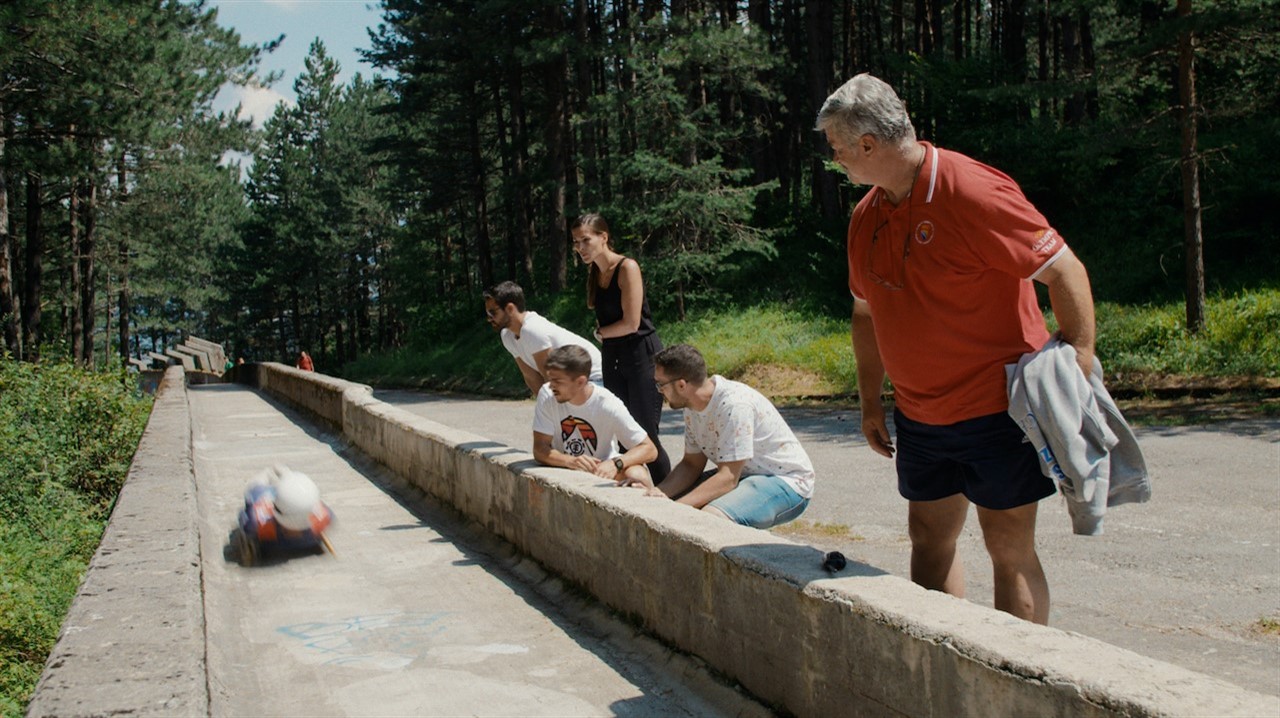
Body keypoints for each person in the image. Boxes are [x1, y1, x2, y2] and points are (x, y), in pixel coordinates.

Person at [816, 73, 1098, 625]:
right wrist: (871, 401)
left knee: (1008, 550)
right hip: (921, 417)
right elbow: (865, 314)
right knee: (927, 535)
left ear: (868, 145)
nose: (837, 160)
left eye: (838, 148)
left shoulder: (970, 189)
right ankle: (944, 660)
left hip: (999, 413)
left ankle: (1017, 684)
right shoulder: (866, 216)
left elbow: (1064, 268)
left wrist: (1079, 362)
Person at [651, 343, 814, 529]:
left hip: (786, 480)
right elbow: (691, 465)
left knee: (708, 519)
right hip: (745, 475)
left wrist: (677, 509)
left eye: (660, 384)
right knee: (672, 506)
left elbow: (728, 479)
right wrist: (658, 494)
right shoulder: (691, 407)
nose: (659, 391)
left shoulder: (734, 406)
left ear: (681, 385)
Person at [571, 213, 671, 484]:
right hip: (613, 357)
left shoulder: (628, 267)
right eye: (576, 242)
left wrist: (600, 333)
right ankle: (639, 490)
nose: (580, 248)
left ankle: (672, 496)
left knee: (645, 434)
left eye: (586, 240)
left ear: (604, 237)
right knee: (624, 432)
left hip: (642, 355)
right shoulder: (596, 272)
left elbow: (632, 322)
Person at [532, 345, 661, 493]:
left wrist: (615, 464)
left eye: (558, 381)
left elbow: (649, 449)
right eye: (550, 379)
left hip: (603, 468)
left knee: (638, 475)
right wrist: (570, 461)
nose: (551, 386)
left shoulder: (607, 403)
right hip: (565, 469)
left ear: (580, 381)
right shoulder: (548, 395)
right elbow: (540, 449)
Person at [483, 280, 603, 396]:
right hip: (567, 383)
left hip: (591, 378)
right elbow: (530, 376)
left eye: (492, 313)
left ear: (510, 308)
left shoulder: (532, 329)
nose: (489, 319)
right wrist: (544, 407)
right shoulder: (507, 336)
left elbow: (550, 377)